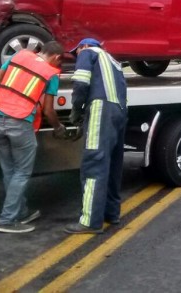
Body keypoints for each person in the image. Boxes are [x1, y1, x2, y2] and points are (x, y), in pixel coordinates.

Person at [0, 41, 66, 234]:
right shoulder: (51, 74)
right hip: (20, 122)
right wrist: (58, 127)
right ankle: (7, 220)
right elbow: (49, 110)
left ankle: (22, 211)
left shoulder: (20, 55)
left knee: (9, 170)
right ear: (57, 58)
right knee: (22, 173)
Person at [66, 38, 128, 234]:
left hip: (101, 109)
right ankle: (112, 213)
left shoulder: (88, 53)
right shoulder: (113, 62)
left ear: (83, 46)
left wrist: (76, 110)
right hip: (120, 111)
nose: (76, 55)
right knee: (112, 165)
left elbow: (81, 84)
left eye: (76, 52)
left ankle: (90, 221)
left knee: (94, 163)